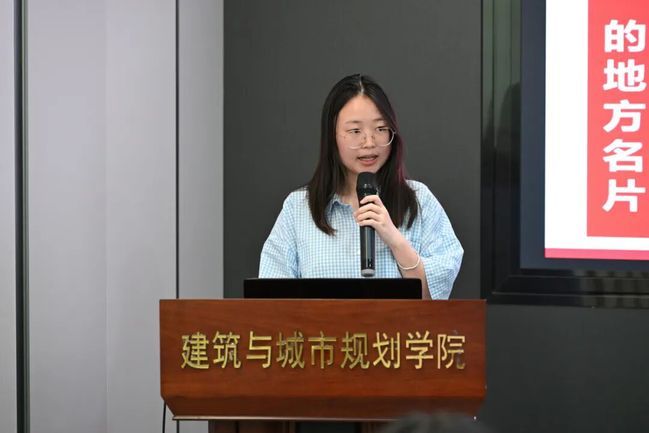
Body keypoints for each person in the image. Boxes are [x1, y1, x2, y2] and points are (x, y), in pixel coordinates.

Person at [259, 74, 463, 299]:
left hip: (396, 325)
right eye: (355, 131)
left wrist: (395, 240)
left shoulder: (419, 200)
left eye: (380, 128)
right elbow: (270, 301)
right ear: (332, 136)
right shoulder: (298, 208)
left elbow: (435, 300)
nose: (369, 142)